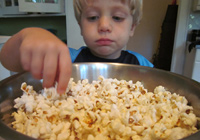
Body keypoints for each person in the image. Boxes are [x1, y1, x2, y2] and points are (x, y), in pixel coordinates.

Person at [0, 0, 153, 94]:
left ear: (132, 27)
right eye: (93, 17)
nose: (104, 26)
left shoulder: (141, 65)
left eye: (117, 17)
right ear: (80, 26)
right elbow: (8, 61)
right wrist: (26, 35)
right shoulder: (66, 59)